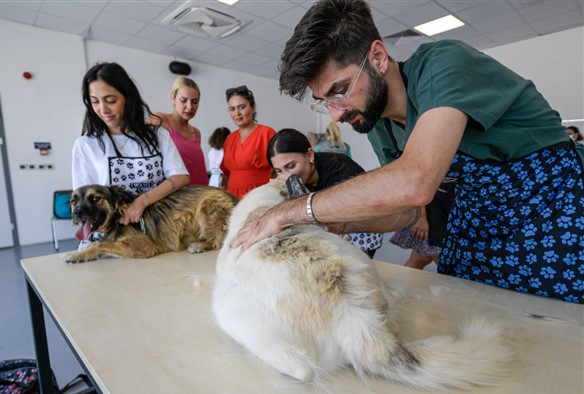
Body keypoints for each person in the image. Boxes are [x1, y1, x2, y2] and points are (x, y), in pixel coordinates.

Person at [232, 0, 584, 303]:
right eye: (325, 102)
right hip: (479, 224)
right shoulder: (378, 123)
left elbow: (416, 182)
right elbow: (407, 210)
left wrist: (292, 211)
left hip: (550, 212)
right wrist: (343, 220)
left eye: (340, 91)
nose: (336, 113)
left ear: (378, 57)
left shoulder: (444, 62)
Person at [72, 62, 189, 231]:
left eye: (111, 100)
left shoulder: (157, 135)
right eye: (95, 102)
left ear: (128, 97)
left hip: (161, 227)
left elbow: (180, 177)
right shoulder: (86, 145)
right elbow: (82, 198)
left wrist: (141, 201)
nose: (103, 109)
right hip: (114, 233)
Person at [268, 128, 383, 258]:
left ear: (309, 155)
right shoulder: (299, 177)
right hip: (330, 230)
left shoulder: (341, 171)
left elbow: (332, 220)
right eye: (279, 171)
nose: (286, 175)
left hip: (359, 228)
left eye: (291, 166)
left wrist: (301, 192)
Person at [368, 119, 455, 270]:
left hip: (439, 205)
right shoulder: (389, 132)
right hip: (430, 211)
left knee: (419, 260)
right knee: (438, 261)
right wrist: (422, 217)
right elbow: (416, 180)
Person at [221, 85, 276, 198]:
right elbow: (226, 173)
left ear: (253, 108)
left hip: (260, 196)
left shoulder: (267, 133)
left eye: (242, 107)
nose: (237, 113)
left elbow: (278, 169)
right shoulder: (229, 139)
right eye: (232, 109)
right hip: (232, 197)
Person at [152, 76, 208, 185]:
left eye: (195, 102)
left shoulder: (196, 133)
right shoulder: (160, 120)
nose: (189, 107)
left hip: (200, 193)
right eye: (183, 100)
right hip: (176, 196)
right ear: (173, 98)